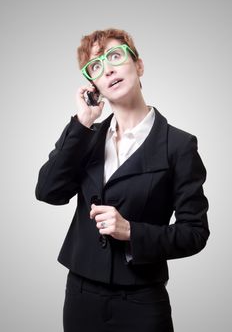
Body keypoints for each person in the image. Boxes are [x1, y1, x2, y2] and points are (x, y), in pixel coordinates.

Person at [35, 28, 210, 332]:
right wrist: (82, 122)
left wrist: (131, 231)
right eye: (96, 67)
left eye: (115, 56)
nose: (109, 69)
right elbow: (48, 191)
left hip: (142, 299)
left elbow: (195, 233)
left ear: (139, 65)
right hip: (81, 295)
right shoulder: (85, 137)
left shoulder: (179, 146)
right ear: (95, 85)